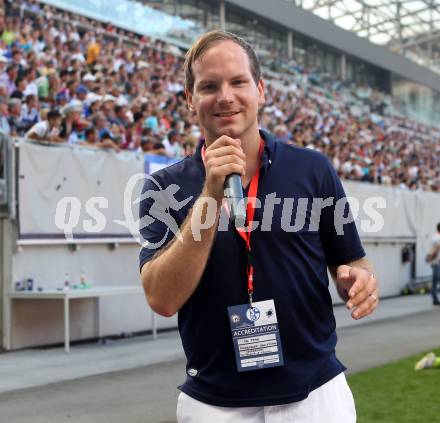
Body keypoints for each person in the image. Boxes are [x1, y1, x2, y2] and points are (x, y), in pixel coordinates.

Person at [139, 30, 379, 423]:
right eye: (209, 86)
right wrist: (210, 195)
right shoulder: (163, 187)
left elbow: (353, 261)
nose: (226, 96)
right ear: (190, 99)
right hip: (214, 404)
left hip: (315, 396)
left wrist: (360, 281)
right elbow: (162, 299)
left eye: (238, 82)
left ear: (261, 90)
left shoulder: (312, 169)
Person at [425, 223, 440, 305]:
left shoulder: (435, 237)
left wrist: (429, 257)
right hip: (437, 262)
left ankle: (435, 299)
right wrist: (430, 257)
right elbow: (435, 249)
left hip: (435, 262)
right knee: (435, 282)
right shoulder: (438, 238)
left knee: (435, 282)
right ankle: (435, 299)